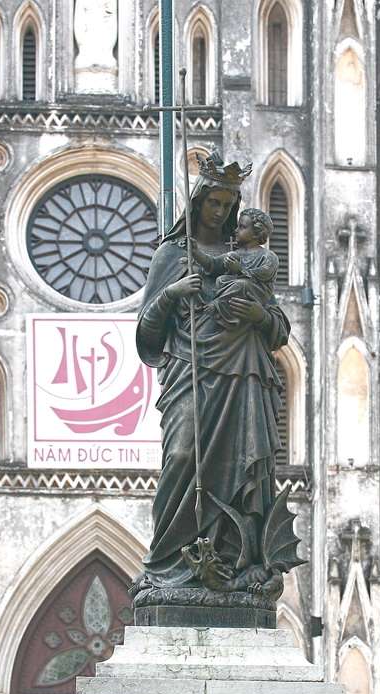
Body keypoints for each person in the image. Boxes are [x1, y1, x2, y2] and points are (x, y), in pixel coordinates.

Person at [134, 153, 290, 592]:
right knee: (183, 456)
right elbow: (146, 332)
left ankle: (234, 562)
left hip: (243, 376)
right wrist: (170, 296)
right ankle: (166, 566)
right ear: (198, 201)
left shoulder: (247, 257)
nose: (219, 212)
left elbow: (278, 330)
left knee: (245, 468)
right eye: (213, 203)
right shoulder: (173, 253)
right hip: (191, 370)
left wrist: (260, 314)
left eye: (228, 204)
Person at [190, 208, 278, 329]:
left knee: (241, 284)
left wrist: (240, 269)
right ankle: (224, 310)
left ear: (256, 233)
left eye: (242, 227)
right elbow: (213, 264)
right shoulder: (236, 254)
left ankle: (218, 304)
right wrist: (195, 252)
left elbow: (264, 273)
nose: (236, 230)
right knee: (221, 280)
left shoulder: (268, 256)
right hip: (237, 292)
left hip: (257, 291)